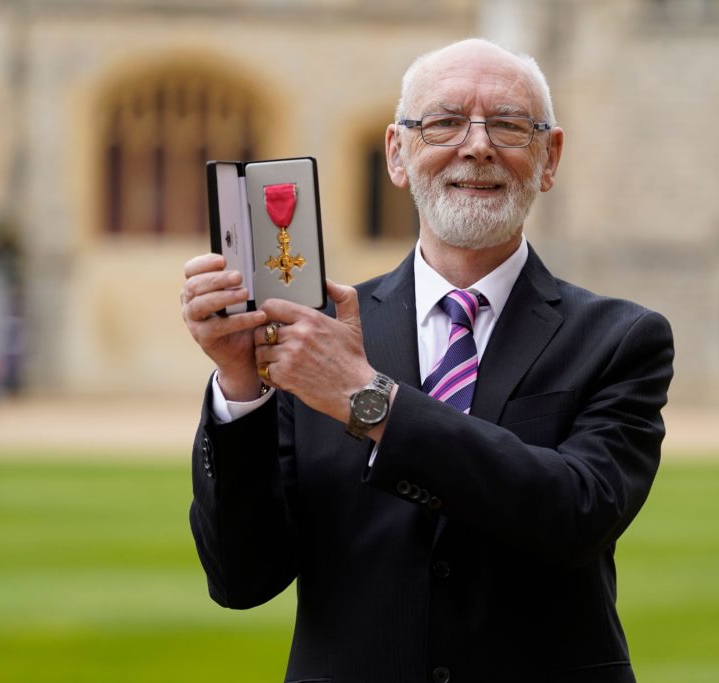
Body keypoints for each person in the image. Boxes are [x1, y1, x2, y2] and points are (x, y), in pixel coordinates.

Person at [180, 38, 673, 683]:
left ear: (549, 158)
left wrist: (370, 400)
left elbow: (574, 516)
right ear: (397, 154)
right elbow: (242, 578)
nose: (476, 146)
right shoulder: (313, 341)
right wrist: (240, 385)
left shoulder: (620, 339)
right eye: (442, 123)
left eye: (509, 125)